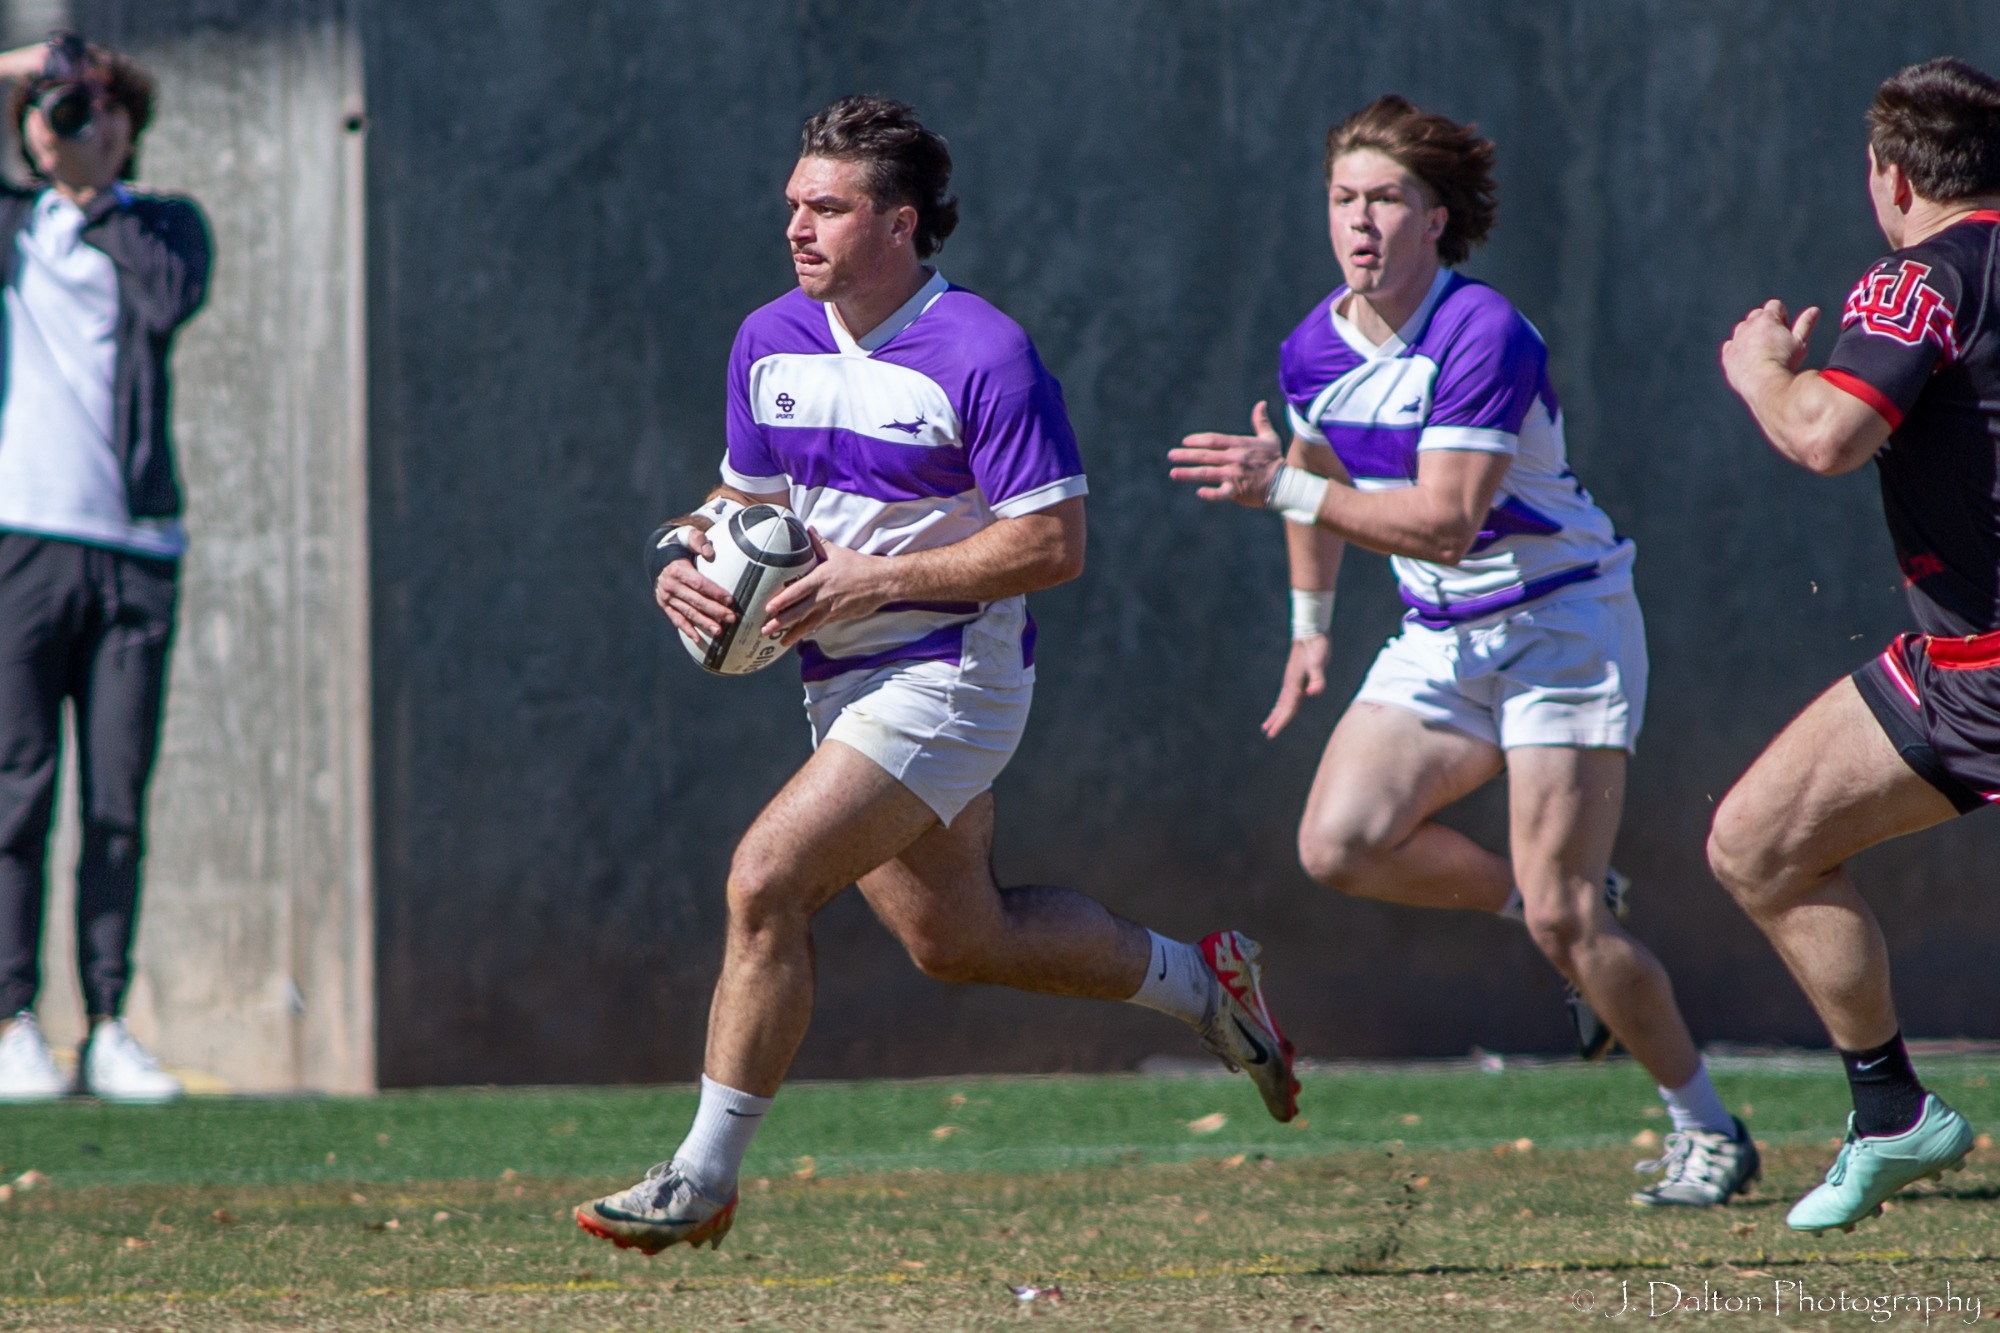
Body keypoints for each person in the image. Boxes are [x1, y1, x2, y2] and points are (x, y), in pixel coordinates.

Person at [573, 95, 1298, 1256]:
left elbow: (1050, 545)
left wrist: (872, 582)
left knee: (764, 880)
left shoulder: (983, 353)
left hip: (950, 670)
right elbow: (739, 508)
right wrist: (680, 558)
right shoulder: (768, 339)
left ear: (900, 222)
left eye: (828, 208)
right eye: (793, 206)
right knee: (957, 937)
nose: (798, 228)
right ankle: (1206, 987)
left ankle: (701, 1176)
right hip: (834, 683)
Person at [1168, 95, 1756, 1207]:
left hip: (1561, 623)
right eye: (1342, 199)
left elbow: (1440, 518)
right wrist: (1308, 628)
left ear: (1434, 218)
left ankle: (1708, 1128)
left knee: (1563, 916)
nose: (1359, 221)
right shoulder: (1313, 344)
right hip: (1440, 634)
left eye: (1385, 198)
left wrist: (1283, 485)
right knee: (1340, 842)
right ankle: (1558, 901)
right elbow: (1309, 465)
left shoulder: (1483, 331)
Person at [1711, 56, 2000, 1235]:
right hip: (1949, 673)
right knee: (1758, 841)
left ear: (1887, 177)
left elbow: (1825, 435)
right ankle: (1887, 1110)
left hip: (1981, 672)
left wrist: (1761, 372)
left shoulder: (1914, 280)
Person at [0, 33, 209, 1103]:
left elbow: (167, 301)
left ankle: (109, 1023)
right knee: (18, 789)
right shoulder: (11, 228)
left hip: (136, 550)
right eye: (65, 111)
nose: (85, 125)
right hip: (24, 541)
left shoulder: (162, 227)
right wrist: (19, 70)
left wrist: (96, 190)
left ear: (132, 126)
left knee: (116, 797)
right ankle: (13, 1018)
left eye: (103, 109)